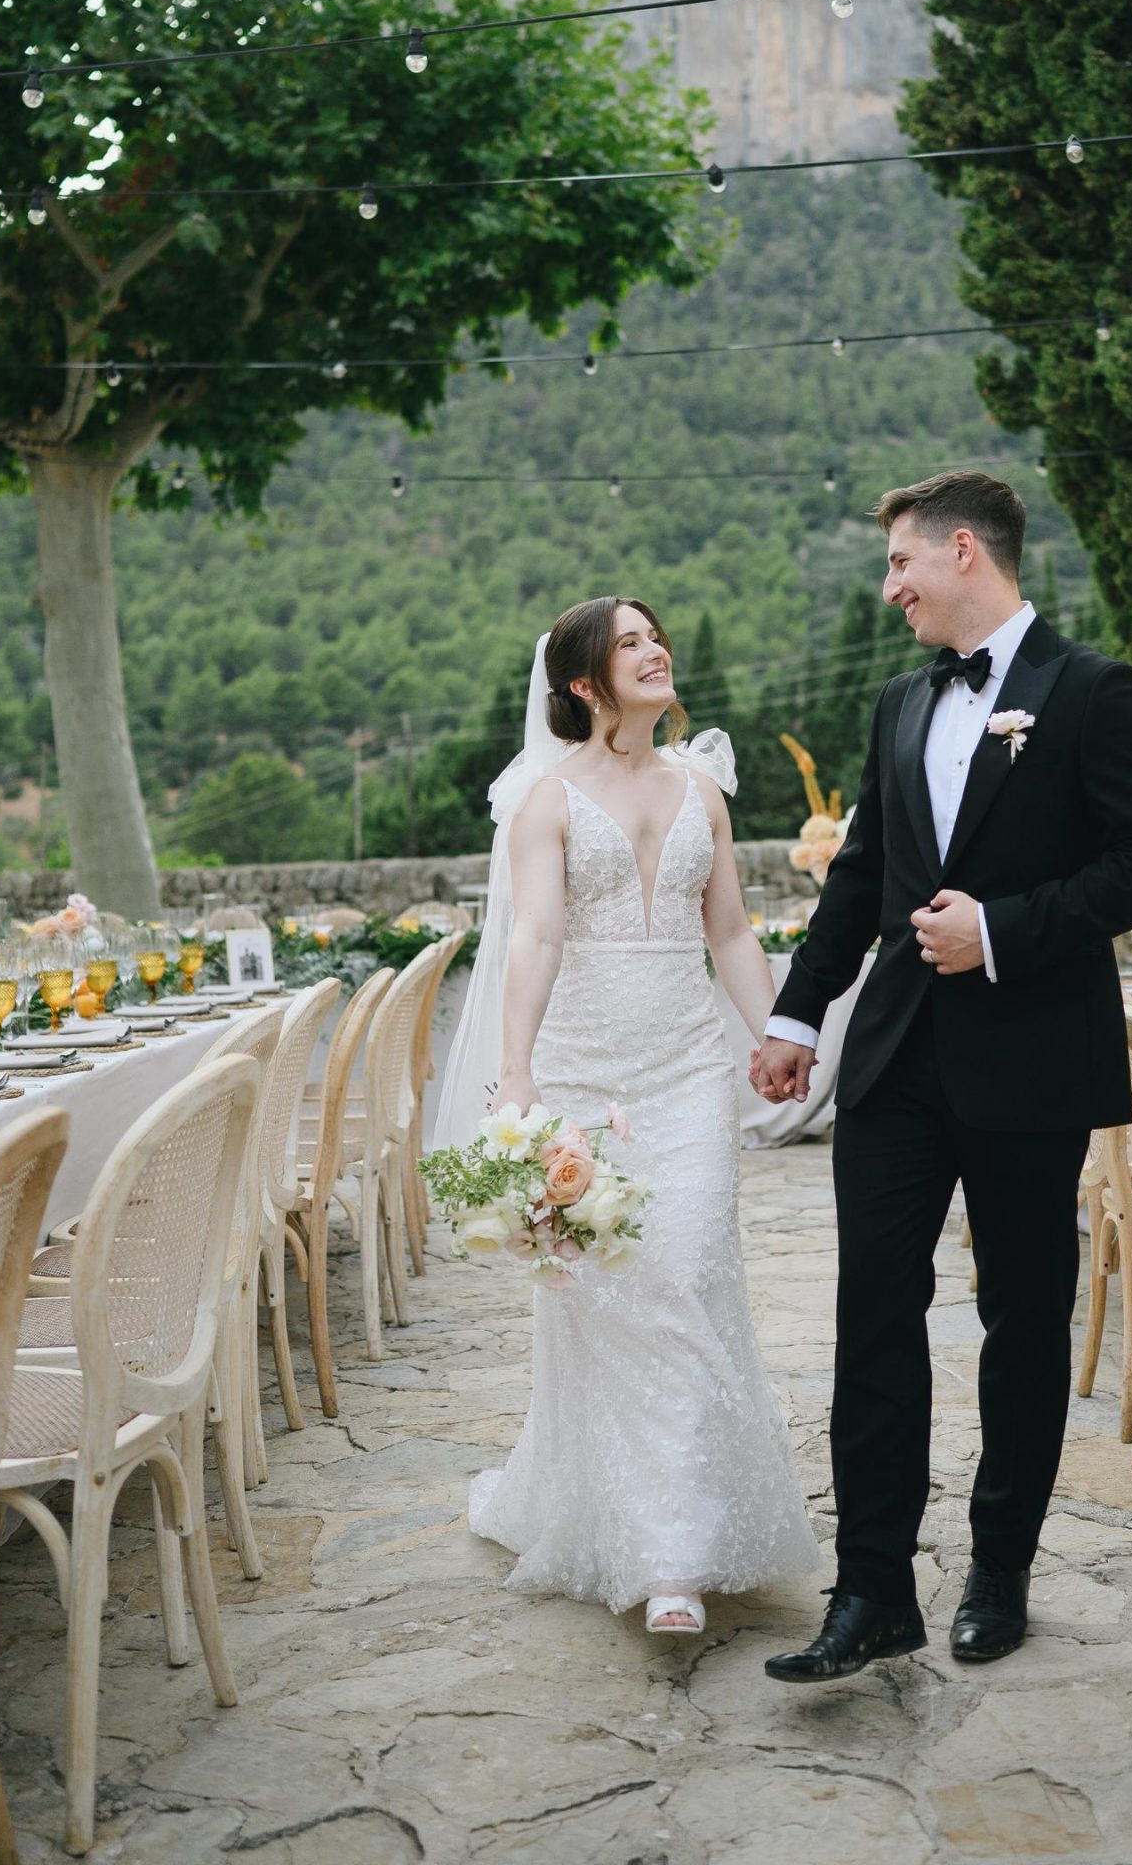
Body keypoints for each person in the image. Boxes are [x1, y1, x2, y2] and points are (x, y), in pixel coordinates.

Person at [752, 470, 1132, 1681]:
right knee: (872, 1318)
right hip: (894, 1058)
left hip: (1032, 1056)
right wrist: (797, 1014)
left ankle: (1002, 1570)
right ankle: (873, 1590)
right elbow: (861, 878)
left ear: (961, 551)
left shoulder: (1091, 690)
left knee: (1023, 1323)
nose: (889, 587)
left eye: (900, 563)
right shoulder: (901, 701)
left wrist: (1001, 930)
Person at [436, 596, 818, 1635]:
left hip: (689, 1067)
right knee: (615, 1296)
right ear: (583, 684)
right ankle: (659, 1553)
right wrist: (515, 1074)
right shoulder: (546, 802)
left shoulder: (703, 788)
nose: (658, 651)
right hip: (584, 1074)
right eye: (633, 643)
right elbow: (535, 943)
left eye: (659, 635)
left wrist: (781, 1032)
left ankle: (678, 1541)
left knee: (688, 1271)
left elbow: (731, 929)